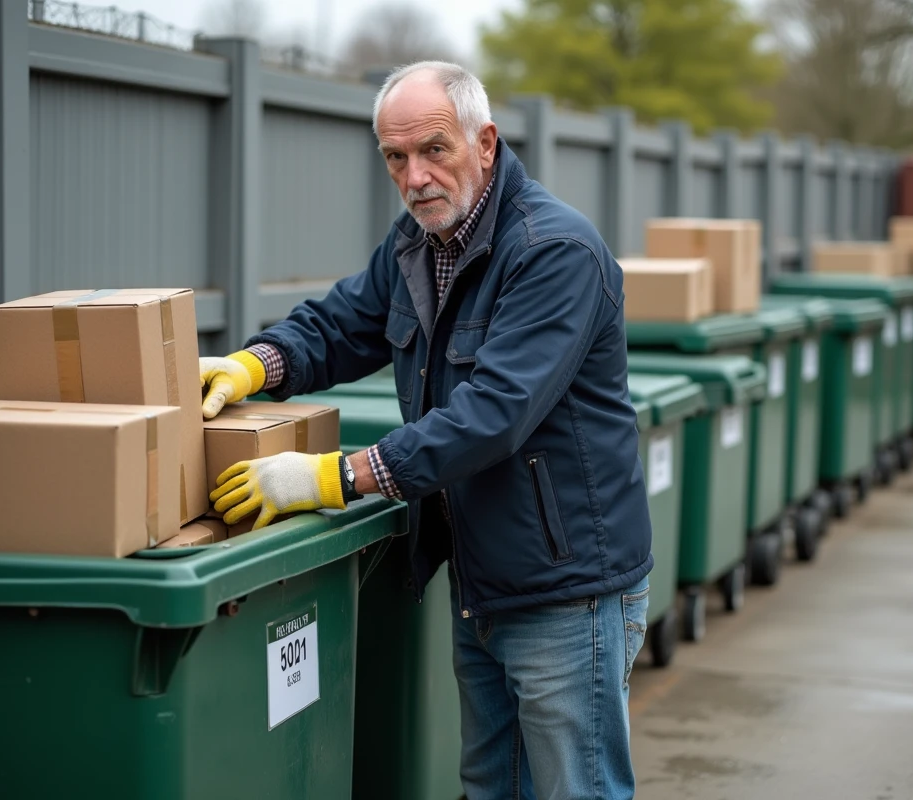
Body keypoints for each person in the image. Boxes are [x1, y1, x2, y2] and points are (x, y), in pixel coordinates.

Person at [199, 61, 652, 799]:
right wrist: (256, 363)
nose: (415, 177)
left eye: (433, 149)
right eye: (395, 157)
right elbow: (344, 321)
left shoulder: (552, 251)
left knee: (579, 789)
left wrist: (335, 478)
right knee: (491, 786)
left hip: (568, 590)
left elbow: (493, 413)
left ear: (485, 142)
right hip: (484, 577)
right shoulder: (419, 243)